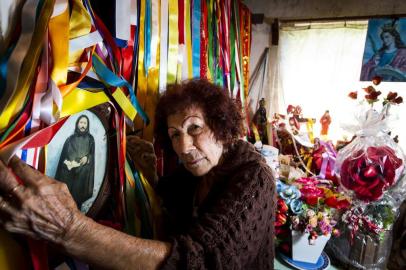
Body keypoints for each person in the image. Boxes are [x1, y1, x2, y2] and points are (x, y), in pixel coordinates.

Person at [0, 79, 275, 269]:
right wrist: (148, 176)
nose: (184, 147)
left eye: (194, 129)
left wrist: (68, 229)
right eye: (174, 135)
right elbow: (167, 202)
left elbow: (201, 262)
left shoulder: (254, 178)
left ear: (222, 125)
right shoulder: (194, 172)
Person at [54, 115, 95, 209]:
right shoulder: (70, 139)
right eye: (81, 122)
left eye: (85, 123)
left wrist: (87, 158)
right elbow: (63, 158)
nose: (83, 125)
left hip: (82, 176)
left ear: (87, 125)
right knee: (65, 202)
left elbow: (92, 155)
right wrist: (68, 163)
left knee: (77, 203)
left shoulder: (90, 139)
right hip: (69, 174)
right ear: (77, 124)